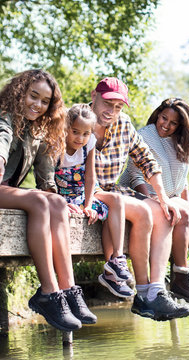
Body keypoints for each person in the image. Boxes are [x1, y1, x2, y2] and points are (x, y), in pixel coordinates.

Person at [0, 69, 96, 332]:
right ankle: (48, 294)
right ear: (19, 94)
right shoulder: (2, 116)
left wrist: (58, 198)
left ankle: (69, 290)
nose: (37, 105)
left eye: (44, 101)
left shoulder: (38, 131)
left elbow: (45, 176)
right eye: (33, 96)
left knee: (56, 202)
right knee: (38, 203)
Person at [90, 77, 189, 321]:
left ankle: (154, 292)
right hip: (84, 191)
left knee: (162, 211)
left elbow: (147, 161)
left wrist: (163, 198)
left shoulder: (124, 125)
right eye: (108, 103)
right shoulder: (77, 119)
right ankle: (143, 292)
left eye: (118, 107)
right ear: (94, 95)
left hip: (111, 189)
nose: (111, 111)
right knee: (145, 211)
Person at [119, 98, 189, 306]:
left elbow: (182, 182)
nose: (166, 125)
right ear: (157, 114)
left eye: (173, 123)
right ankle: (181, 277)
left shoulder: (181, 143)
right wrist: (153, 198)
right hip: (142, 193)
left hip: (170, 196)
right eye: (164, 118)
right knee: (182, 214)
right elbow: (135, 175)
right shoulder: (145, 135)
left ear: (181, 126)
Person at [55, 103, 134, 298]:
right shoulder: (56, 145)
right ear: (65, 128)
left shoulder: (89, 143)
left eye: (85, 133)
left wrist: (88, 205)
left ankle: (116, 259)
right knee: (101, 207)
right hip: (62, 196)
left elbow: (90, 177)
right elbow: (47, 179)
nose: (80, 138)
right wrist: (64, 203)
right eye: (75, 132)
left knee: (116, 201)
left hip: (86, 192)